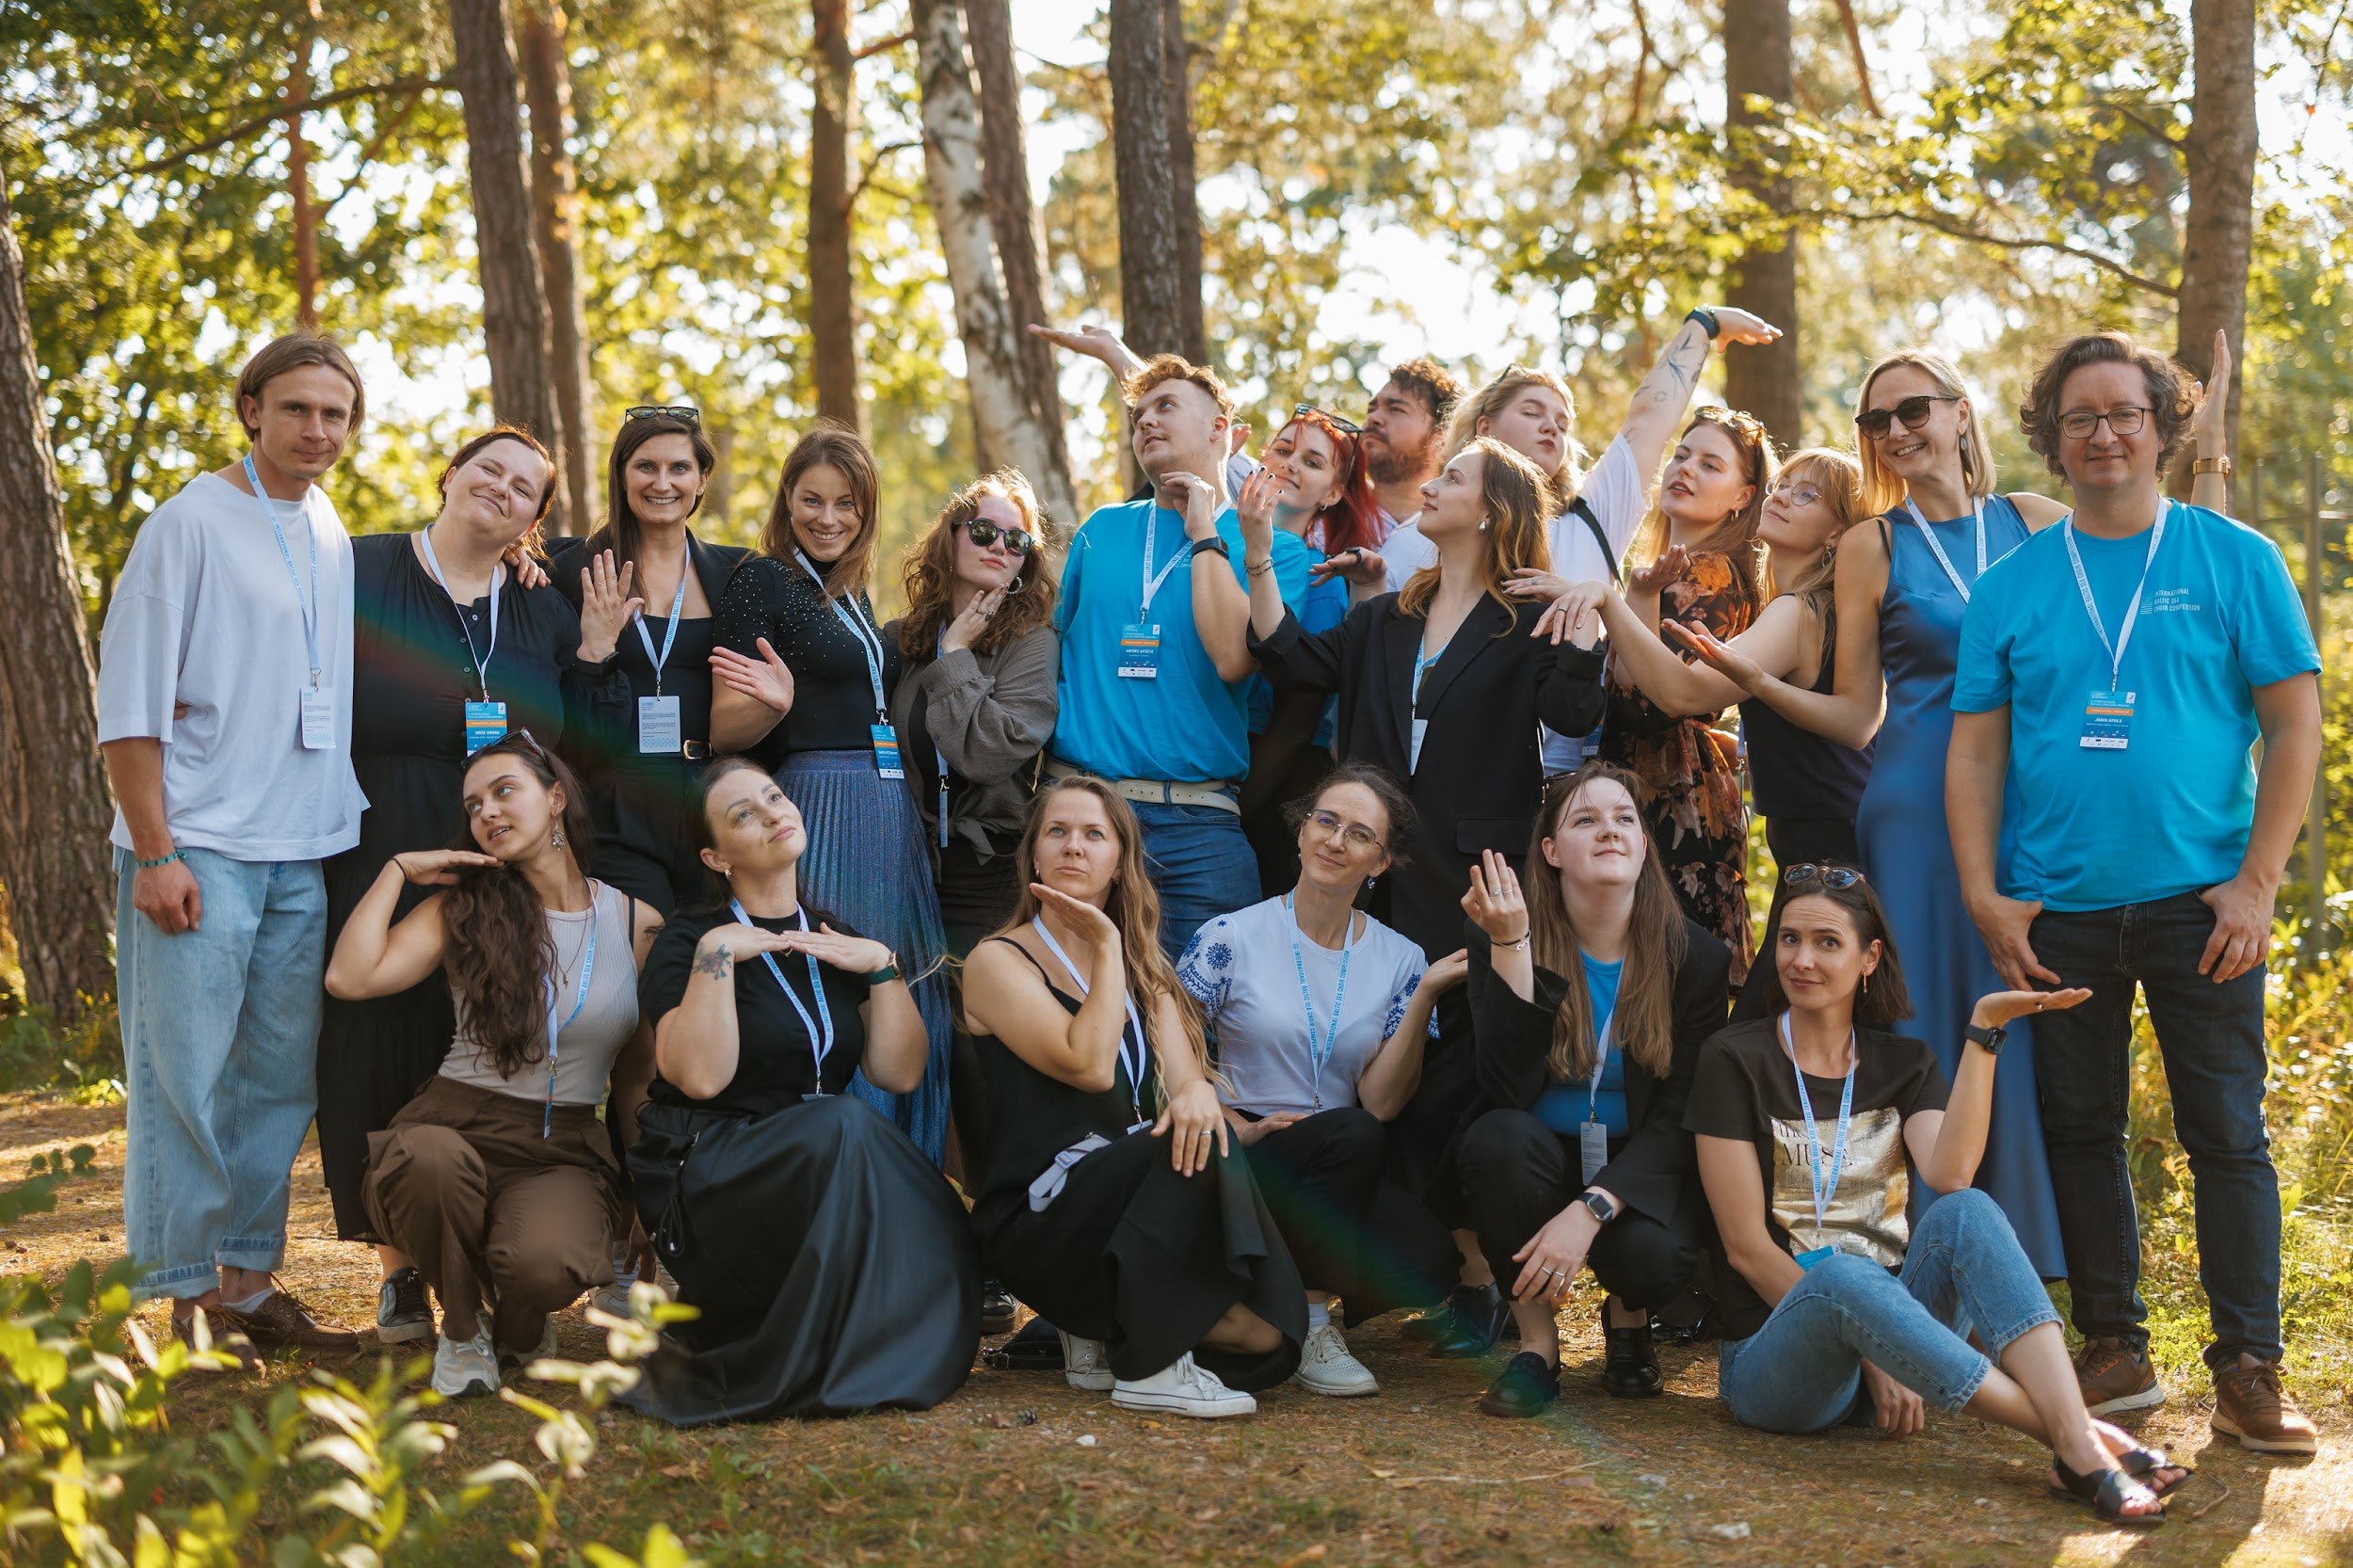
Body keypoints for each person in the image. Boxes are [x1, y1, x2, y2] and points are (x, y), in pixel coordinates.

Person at [1674, 344, 2235, 1273]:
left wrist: (2205, 452)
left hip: (2034, 808)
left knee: (2036, 1027)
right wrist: (1757, 684)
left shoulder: (2034, 519)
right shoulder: (1873, 544)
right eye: (1876, 419)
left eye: (1914, 409)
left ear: (1959, 412)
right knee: (1932, 1025)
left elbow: (2167, 565)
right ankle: (1934, 1253)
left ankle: (2041, 1253)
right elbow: (1858, 716)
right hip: (1913, 819)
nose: (1896, 430)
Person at [1948, 331, 2322, 1451]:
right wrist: (1985, 894)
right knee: (2079, 1129)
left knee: (2227, 1135)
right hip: (2055, 908)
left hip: (2203, 907)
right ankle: (2113, 1345)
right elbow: (1974, 751)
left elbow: (2293, 725)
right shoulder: (2010, 585)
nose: (2103, 434)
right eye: (2079, 417)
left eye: (2124, 413)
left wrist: (2256, 884)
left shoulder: (2234, 558)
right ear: (2051, 439)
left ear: (2163, 427)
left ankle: (2249, 1367)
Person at [1685, 866, 2190, 1528]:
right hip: (1780, 1363)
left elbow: (1950, 1175)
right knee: (1845, 1276)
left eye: (1827, 942)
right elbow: (1746, 1249)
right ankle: (2081, 1442)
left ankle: (2076, 1438)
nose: (1802, 960)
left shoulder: (1904, 1063)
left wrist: (1984, 1034)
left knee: (1967, 1211)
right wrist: (1870, 1346)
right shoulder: (1733, 1059)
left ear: (1869, 958)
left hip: (1904, 1346)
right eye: (1789, 939)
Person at [1244, 438, 1608, 1347]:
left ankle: (1478, 1269)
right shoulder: (1383, 619)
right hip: (1372, 879)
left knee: (1469, 1069)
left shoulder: (1529, 619)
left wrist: (1587, 618)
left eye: (1453, 479)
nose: (1431, 487)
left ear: (1490, 510)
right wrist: (1255, 553)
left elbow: (1573, 714)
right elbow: (1290, 658)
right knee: (1379, 1055)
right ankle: (1409, 1269)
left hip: (1478, 884)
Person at [316, 426, 632, 1349]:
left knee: (479, 1040)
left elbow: (576, 717)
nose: (501, 487)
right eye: (488, 468)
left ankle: (492, 1250)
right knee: (374, 1042)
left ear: (534, 520)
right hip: (380, 835)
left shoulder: (539, 603)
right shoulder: (359, 567)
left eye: (524, 486)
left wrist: (588, 635)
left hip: (502, 855)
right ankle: (399, 1273)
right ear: (450, 475)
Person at [96, 331, 371, 1362]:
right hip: (197, 845)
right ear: (251, 409)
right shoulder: (187, 524)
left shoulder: (327, 522)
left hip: (302, 845)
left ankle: (249, 1286)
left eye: (335, 413)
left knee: (275, 1081)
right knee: (185, 1081)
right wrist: (154, 850)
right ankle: (182, 1301)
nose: (316, 429)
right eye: (296, 408)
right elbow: (129, 706)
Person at [623, 759, 979, 1423]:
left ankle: (893, 1345)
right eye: (743, 815)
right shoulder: (688, 942)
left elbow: (899, 1073)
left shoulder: (834, 937)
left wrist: (882, 969)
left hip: (816, 1170)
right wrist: (717, 956)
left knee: (874, 1146)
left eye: (773, 796)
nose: (771, 813)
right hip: (709, 1169)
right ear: (715, 857)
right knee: (845, 1122)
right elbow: (699, 1078)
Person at [324, 733, 659, 1397]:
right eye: (474, 805)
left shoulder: (634, 922)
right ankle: (460, 1327)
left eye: (505, 791)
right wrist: (396, 872)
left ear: (556, 799)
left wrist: (650, 1195)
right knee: (425, 1163)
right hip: (457, 1122)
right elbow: (349, 978)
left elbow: (637, 1080)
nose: (488, 812)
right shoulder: (464, 909)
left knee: (545, 1265)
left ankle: (517, 1317)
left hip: (563, 1145)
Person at [962, 779, 1307, 1417]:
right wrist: (1104, 944)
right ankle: (1151, 1365)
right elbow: (1090, 1067)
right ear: (1033, 854)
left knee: (1264, 1336)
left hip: (1125, 1209)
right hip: (1038, 1217)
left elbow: (1188, 1085)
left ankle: (1102, 1326)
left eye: (1094, 834)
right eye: (1057, 832)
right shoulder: (997, 960)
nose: (1073, 846)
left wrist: (1203, 1097)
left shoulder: (1148, 974)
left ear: (1119, 863)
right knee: (1187, 1140)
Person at [1543, 450, 1873, 1015]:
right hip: (1815, 843)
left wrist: (1607, 599)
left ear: (1838, 533)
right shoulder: (1798, 608)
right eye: (1783, 485)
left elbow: (1681, 694)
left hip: (1831, 849)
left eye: (1807, 495)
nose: (1781, 496)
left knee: (1771, 1026)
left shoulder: (1800, 611)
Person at [1381, 308, 1780, 776]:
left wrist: (1703, 324)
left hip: (1565, 781)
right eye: (1532, 412)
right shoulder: (1416, 536)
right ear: (1484, 428)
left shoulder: (1592, 519)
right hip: (1427, 771)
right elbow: (1378, 670)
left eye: (1563, 423)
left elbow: (1650, 417)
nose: (1552, 427)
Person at [1448, 765, 1732, 1413]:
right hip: (1536, 1151)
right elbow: (1504, 1088)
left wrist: (1593, 1208)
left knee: (1654, 1258)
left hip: (1637, 1160)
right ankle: (1537, 1347)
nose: (1609, 830)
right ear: (1551, 852)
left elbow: (1680, 1113)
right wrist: (1512, 945)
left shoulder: (1697, 959)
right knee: (1497, 1141)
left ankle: (1628, 1319)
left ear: (1644, 846)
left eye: (1624, 818)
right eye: (1586, 819)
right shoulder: (1500, 933)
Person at [707, 425, 954, 1161]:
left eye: (846, 504)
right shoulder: (762, 579)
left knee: (903, 989)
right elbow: (721, 728)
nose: (828, 517)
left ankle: (910, 1179)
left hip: (886, 808)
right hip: (821, 802)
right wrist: (776, 707)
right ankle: (847, 1174)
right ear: (787, 499)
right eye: (812, 500)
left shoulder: (850, 591)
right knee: (843, 989)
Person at [1176, 765, 1465, 1396]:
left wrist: (1424, 996)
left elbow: (1381, 1103)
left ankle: (1260, 1297)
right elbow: (1167, 1046)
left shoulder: (1401, 959)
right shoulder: (1231, 936)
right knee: (1353, 1135)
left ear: (1380, 863)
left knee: (1429, 1260)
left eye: (1359, 834)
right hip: (1245, 1148)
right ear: (1302, 830)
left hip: (1342, 1152)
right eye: (1326, 821)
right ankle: (1309, 1323)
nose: (1336, 841)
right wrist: (1229, 1121)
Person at [884, 469, 1062, 1337]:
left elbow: (993, 752)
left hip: (990, 879)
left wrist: (959, 657)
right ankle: (916, 1240)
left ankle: (998, 1257)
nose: (997, 547)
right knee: (911, 1058)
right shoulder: (900, 639)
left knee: (983, 1064)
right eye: (982, 531)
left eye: (1014, 539)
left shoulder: (1031, 644)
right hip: (905, 871)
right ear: (950, 536)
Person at [1034, 355, 1267, 957]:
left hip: (1196, 828)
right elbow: (1050, 650)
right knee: (1065, 997)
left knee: (1201, 1008)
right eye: (1138, 415)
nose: (1145, 422)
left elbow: (1233, 659)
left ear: (1220, 428)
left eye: (1166, 407)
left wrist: (1204, 533)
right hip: (1081, 813)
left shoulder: (1269, 545)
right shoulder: (1101, 528)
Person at [1595, 408, 1777, 983]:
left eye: (1710, 464)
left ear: (1743, 497)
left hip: (1669, 794)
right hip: (1655, 786)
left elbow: (1645, 705)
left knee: (1662, 982)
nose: (1686, 469)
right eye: (1681, 455)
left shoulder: (1711, 574)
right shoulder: (1667, 570)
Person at [549, 405, 751, 915]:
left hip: (709, 800)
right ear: (621, 476)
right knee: (642, 946)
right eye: (645, 466)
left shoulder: (739, 574)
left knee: (711, 946)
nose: (662, 483)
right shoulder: (569, 568)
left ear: (702, 479)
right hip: (615, 805)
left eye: (679, 467)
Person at [1237, 408, 1362, 894]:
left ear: (1332, 493)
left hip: (1269, 785)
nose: (1290, 464)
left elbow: (1297, 719)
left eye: (1312, 461)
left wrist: (1236, 810)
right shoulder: (1211, 545)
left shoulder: (1322, 581)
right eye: (1282, 450)